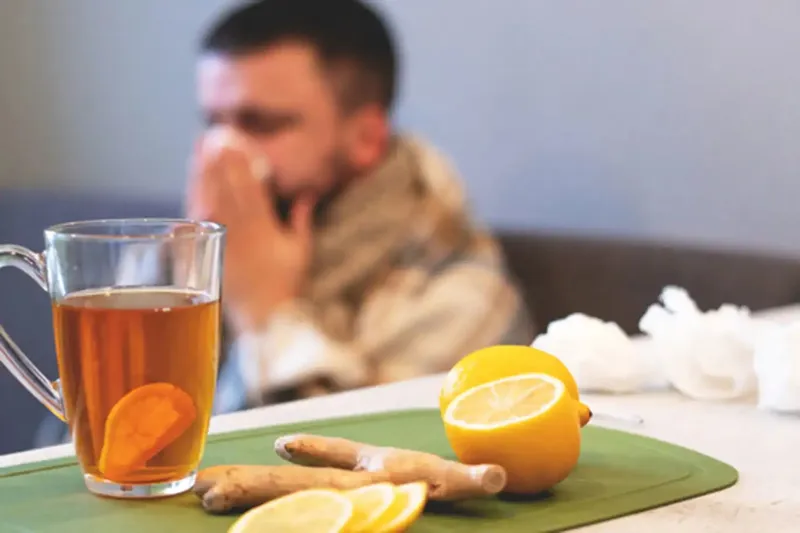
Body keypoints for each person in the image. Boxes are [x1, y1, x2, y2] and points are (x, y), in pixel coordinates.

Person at [188, 0, 535, 413]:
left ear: (366, 139)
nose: (221, 154)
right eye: (214, 124)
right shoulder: (197, 253)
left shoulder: (456, 292)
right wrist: (189, 268)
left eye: (262, 124)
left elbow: (349, 447)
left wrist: (266, 315)